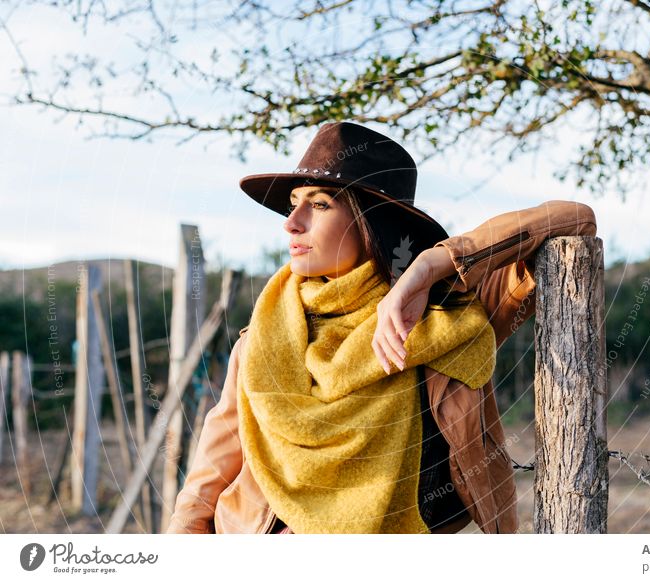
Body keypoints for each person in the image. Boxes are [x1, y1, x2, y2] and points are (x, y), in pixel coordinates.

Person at [166, 121, 597, 534]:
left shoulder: (450, 310)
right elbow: (207, 479)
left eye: (318, 204)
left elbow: (575, 218)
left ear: (372, 220)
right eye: (293, 202)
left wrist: (431, 265)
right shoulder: (260, 338)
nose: (291, 221)